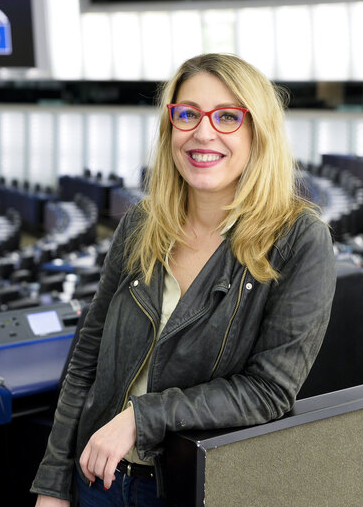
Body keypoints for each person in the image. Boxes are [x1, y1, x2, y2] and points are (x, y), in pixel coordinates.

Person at [31, 53, 337, 506]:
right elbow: (86, 360)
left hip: (187, 485)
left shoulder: (298, 239)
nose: (203, 132)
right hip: (97, 479)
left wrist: (141, 418)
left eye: (228, 117)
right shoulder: (141, 223)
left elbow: (268, 390)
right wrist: (53, 484)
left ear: (259, 132)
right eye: (188, 114)